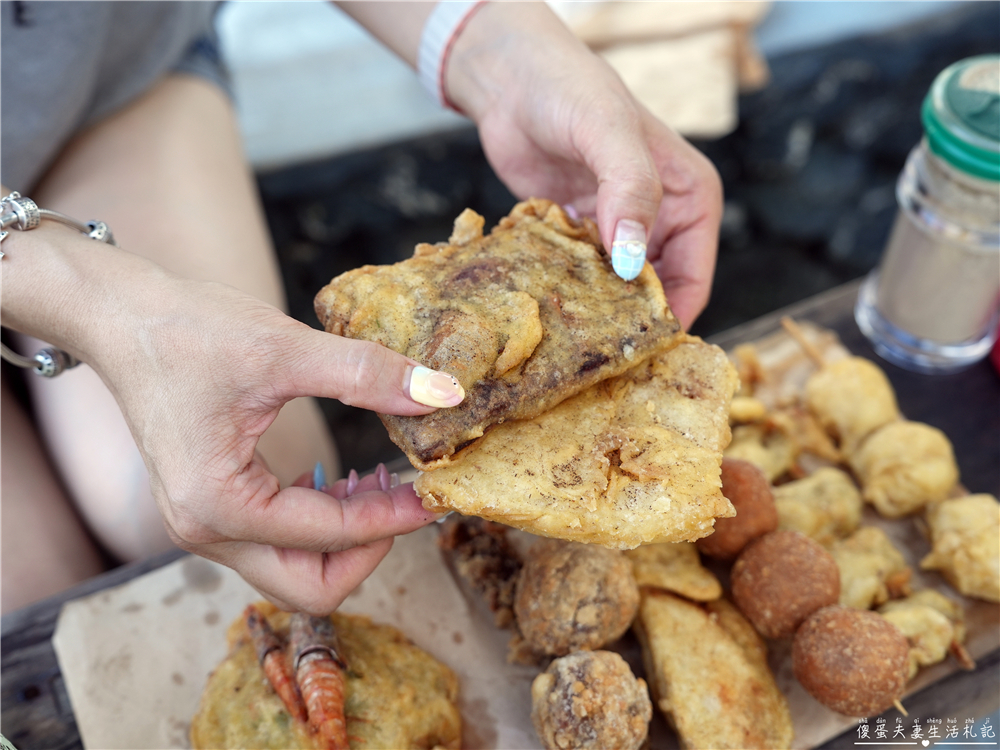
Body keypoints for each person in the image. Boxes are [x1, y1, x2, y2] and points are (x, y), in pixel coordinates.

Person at [0, 1, 721, 615]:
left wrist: (496, 48)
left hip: (113, 77)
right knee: (29, 596)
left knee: (269, 478)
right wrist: (107, 308)